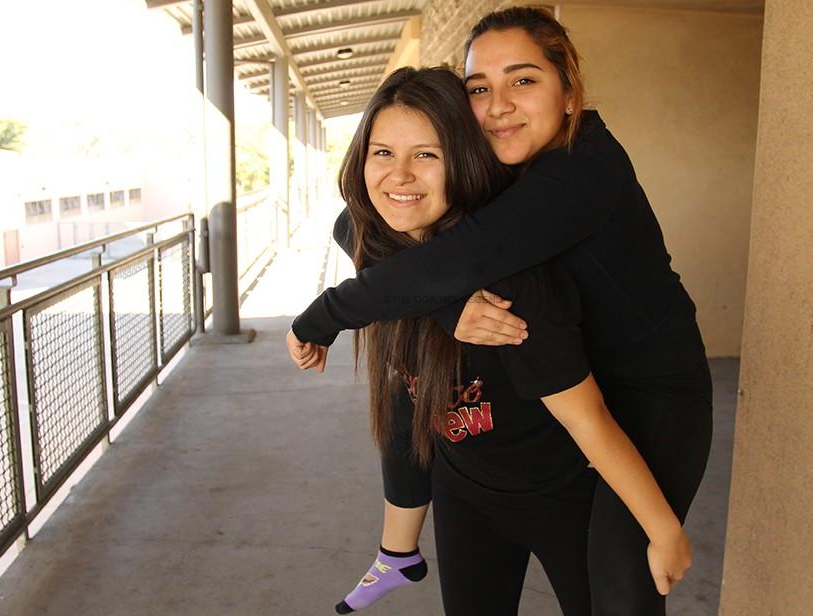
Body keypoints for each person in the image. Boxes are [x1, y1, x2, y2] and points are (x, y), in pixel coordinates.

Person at [288, 7, 713, 616]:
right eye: (479, 88)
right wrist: (448, 309)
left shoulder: (582, 167)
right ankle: (397, 548)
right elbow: (365, 228)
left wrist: (323, 317)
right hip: (569, 387)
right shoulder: (500, 171)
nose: (498, 104)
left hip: (652, 388)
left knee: (625, 581)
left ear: (569, 91)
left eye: (524, 80)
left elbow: (464, 260)